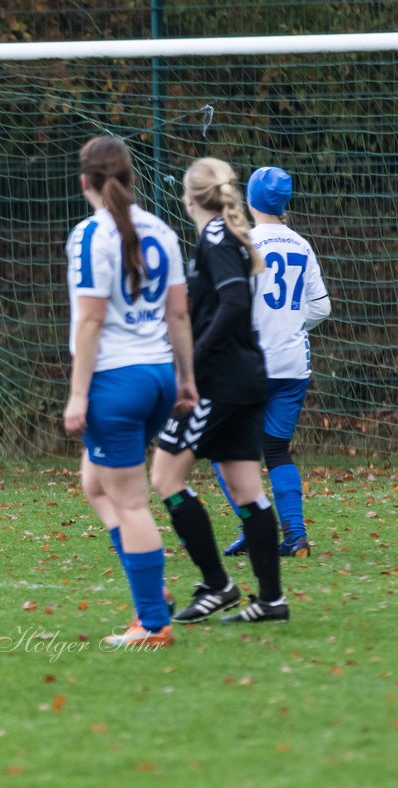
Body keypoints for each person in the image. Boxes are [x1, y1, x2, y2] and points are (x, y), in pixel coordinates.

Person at [61, 136, 196, 649]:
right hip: (159, 374)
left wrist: (78, 395)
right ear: (131, 179)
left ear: (84, 182)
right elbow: (178, 313)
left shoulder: (89, 235)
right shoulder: (161, 228)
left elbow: (91, 320)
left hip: (116, 382)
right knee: (96, 485)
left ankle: (153, 622)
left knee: (132, 503)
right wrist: (185, 378)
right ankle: (152, 591)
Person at [151, 157, 288, 624]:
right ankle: (271, 600)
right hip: (245, 377)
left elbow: (233, 301)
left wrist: (192, 363)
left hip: (221, 382)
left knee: (166, 479)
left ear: (189, 196)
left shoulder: (214, 238)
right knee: (245, 487)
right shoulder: (216, 237)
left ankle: (218, 584)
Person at [215, 166, 330, 558]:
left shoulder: (244, 241)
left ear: (250, 200)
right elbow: (322, 306)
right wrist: (291, 321)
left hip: (252, 364)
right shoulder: (301, 244)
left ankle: (254, 526)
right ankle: (295, 536)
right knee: (277, 449)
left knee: (221, 445)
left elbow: (229, 304)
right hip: (294, 364)